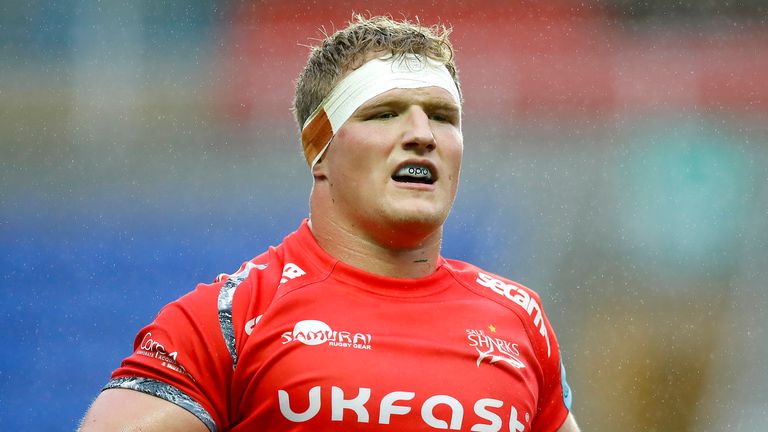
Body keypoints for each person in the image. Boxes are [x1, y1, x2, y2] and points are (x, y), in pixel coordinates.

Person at [80, 15, 579, 432]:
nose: (422, 135)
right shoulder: (230, 318)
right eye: (384, 114)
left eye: (443, 117)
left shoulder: (520, 320)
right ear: (318, 148)